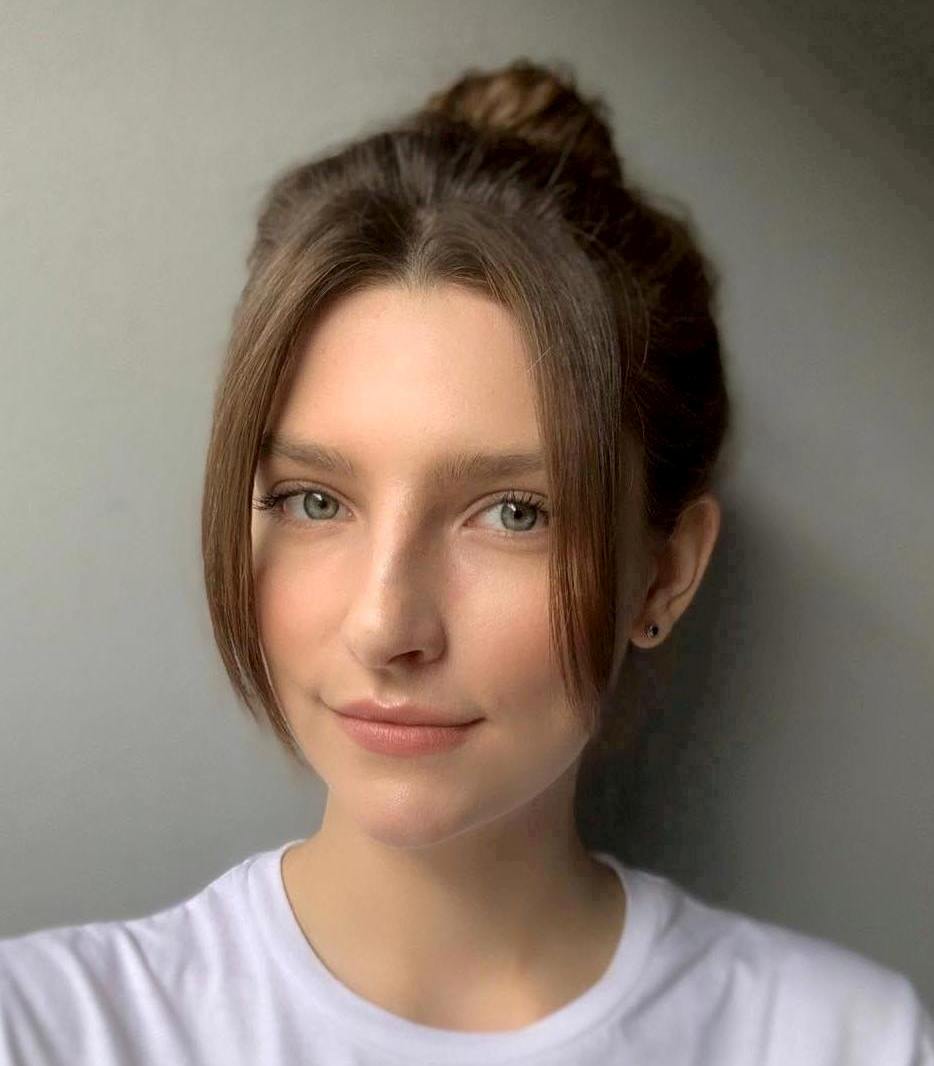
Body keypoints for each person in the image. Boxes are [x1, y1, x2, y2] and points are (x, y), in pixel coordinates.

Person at [1, 57, 931, 1066]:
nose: (385, 626)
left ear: (664, 574)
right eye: (315, 499)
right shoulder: (44, 1031)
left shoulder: (848, 1043)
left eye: (513, 514)